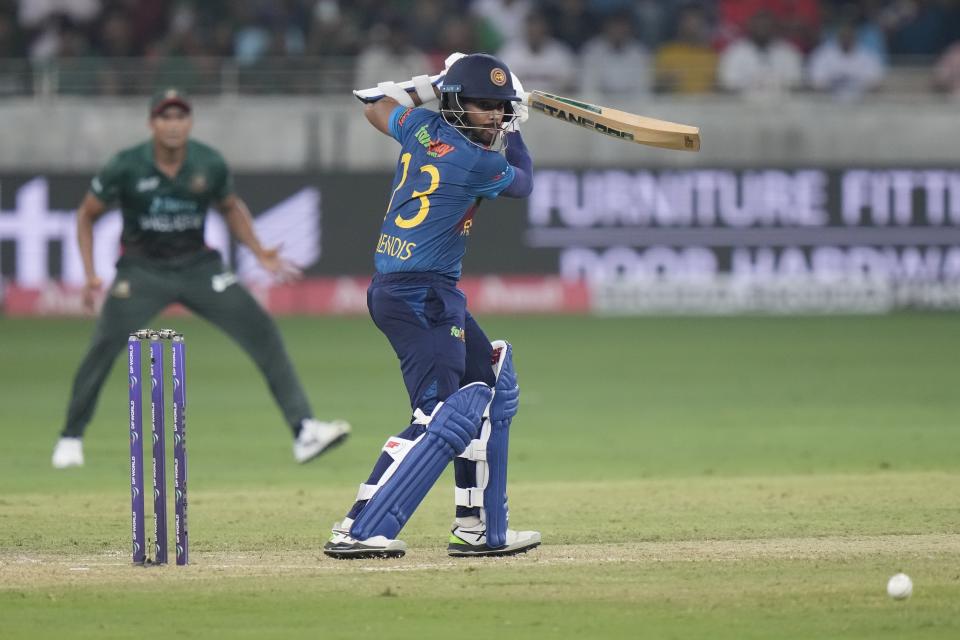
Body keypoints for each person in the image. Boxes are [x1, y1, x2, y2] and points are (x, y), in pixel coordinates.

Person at [51, 87, 350, 469]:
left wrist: (258, 251)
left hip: (199, 267)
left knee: (261, 330)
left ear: (189, 122)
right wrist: (91, 273)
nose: (173, 125)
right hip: (142, 270)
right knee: (103, 346)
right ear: (152, 123)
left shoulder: (208, 162)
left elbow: (230, 207)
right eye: (165, 117)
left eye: (180, 117)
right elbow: (86, 215)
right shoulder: (126, 165)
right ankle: (70, 438)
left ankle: (304, 430)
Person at [323, 53, 540, 559]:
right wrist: (522, 127)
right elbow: (524, 182)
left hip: (422, 291)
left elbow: (377, 106)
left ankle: (479, 528)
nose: (495, 116)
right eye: (484, 106)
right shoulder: (478, 161)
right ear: (458, 103)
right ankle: (358, 528)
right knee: (441, 414)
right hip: (418, 294)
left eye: (501, 107)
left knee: (489, 386)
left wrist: (430, 85)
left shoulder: (420, 127)